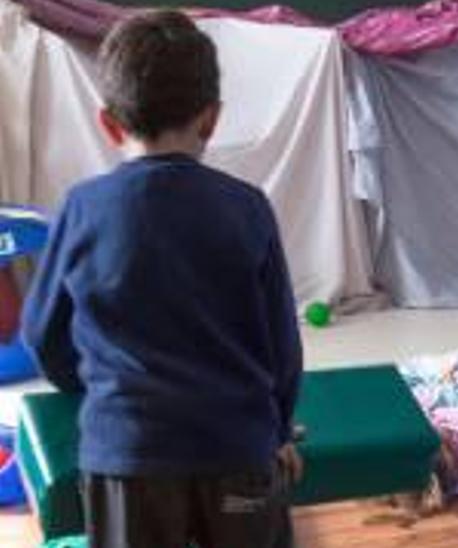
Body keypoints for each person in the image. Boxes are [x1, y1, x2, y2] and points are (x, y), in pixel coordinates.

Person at [21, 11, 303, 548]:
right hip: (237, 453)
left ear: (108, 123)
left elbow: (42, 334)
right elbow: (282, 349)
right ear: (211, 119)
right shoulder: (247, 208)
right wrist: (278, 429)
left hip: (129, 459)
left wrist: (91, 386)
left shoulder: (84, 208)